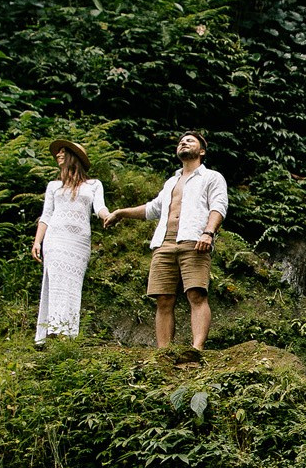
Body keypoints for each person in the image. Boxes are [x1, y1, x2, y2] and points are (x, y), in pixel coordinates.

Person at [103, 130, 227, 350]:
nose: (183, 143)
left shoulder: (212, 177)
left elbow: (219, 206)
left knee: (196, 294)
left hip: (194, 240)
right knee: (163, 299)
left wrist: (208, 232)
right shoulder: (171, 182)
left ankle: (196, 349)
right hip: (164, 243)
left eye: (190, 141)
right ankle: (163, 352)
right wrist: (121, 212)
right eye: (181, 141)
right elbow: (152, 209)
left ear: (202, 151)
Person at [32, 138, 108, 345]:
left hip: (79, 242)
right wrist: (37, 242)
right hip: (55, 239)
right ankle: (52, 332)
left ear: (74, 157)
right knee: (55, 283)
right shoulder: (53, 186)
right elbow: (46, 215)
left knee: (73, 285)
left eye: (63, 152)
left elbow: (100, 208)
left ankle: (67, 334)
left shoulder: (93, 185)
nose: (58, 155)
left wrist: (109, 216)